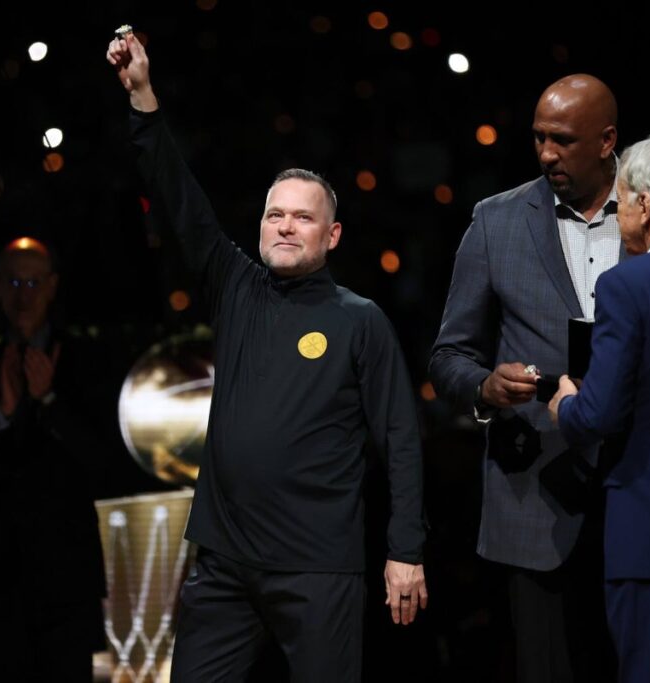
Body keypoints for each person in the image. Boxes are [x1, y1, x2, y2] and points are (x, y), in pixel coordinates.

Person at [106, 30, 427, 683]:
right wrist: (142, 97)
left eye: (302, 217)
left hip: (317, 568)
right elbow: (179, 198)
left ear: (332, 235)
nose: (284, 225)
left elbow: (400, 438)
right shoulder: (236, 287)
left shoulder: (359, 320)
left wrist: (406, 551)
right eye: (274, 214)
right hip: (225, 561)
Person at [428, 74, 621, 682]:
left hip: (639, 489)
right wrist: (485, 388)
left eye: (563, 140)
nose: (546, 154)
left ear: (606, 141)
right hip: (536, 494)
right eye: (539, 138)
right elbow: (448, 356)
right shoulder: (497, 220)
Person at [549, 134, 650, 683]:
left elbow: (600, 413)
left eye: (622, 197)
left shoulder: (628, 284)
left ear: (645, 204)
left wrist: (567, 404)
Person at [0, 237, 108, 682]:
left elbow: (104, 462)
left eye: (33, 282)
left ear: (52, 286)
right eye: (13, 282)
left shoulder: (85, 359)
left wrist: (49, 401)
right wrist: (2, 416)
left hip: (68, 581)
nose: (23, 296)